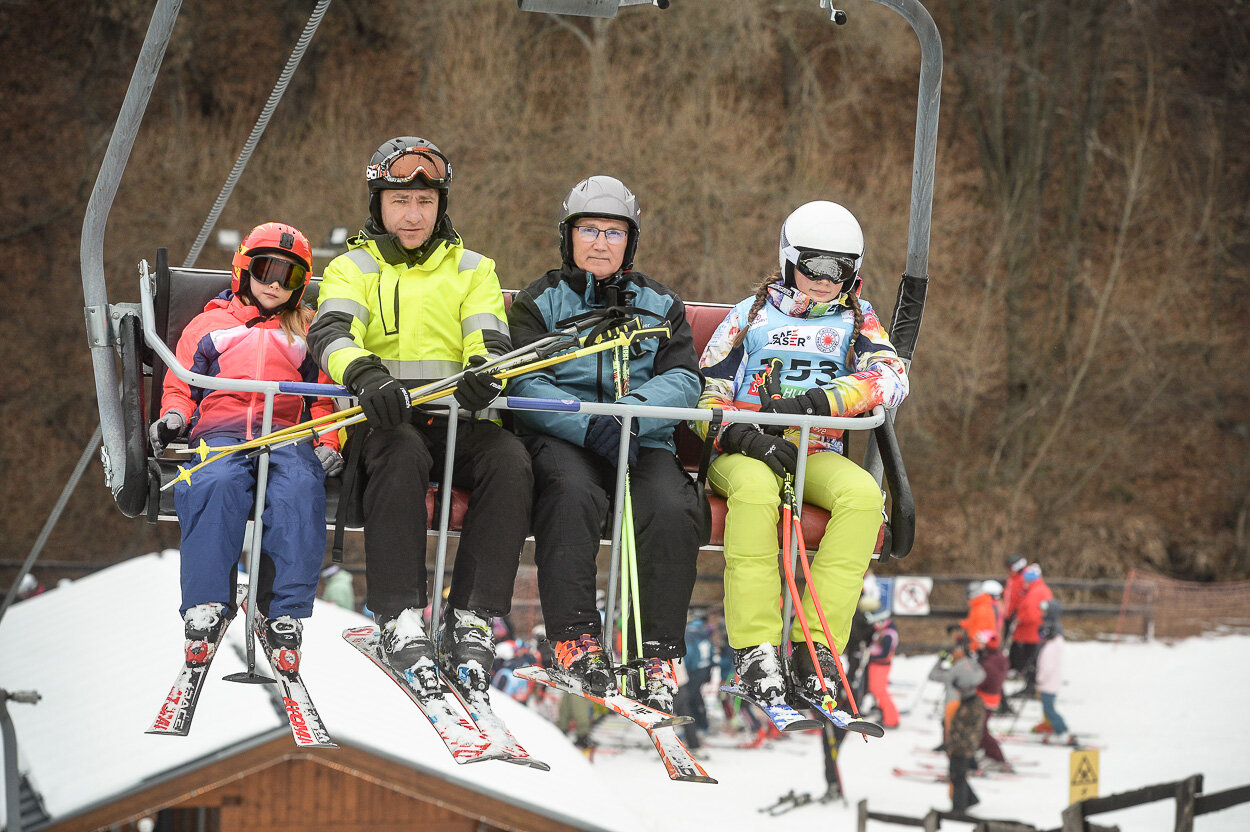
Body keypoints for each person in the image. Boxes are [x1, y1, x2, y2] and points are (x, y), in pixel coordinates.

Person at [307, 136, 532, 700]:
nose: (413, 215)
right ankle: (400, 611)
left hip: (459, 417)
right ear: (379, 203)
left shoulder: (474, 268)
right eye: (401, 201)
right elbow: (330, 332)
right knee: (401, 453)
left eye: (425, 202)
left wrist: (486, 373)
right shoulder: (352, 268)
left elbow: (490, 338)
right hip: (386, 414)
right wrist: (362, 373)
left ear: (442, 205)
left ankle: (473, 615)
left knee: (511, 461)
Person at [693, 200, 908, 705]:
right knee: (756, 490)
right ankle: (755, 647)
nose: (824, 279)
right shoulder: (749, 317)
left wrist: (826, 401)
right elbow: (706, 391)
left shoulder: (857, 320)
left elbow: (892, 377)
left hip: (815, 448)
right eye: (813, 266)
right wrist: (742, 434)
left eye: (839, 269)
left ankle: (814, 649)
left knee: (860, 495)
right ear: (790, 261)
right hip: (744, 449)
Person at [506, 175, 703, 712]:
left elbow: (684, 378)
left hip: (638, 438)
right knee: (571, 494)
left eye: (613, 233)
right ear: (568, 236)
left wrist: (631, 419)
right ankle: (575, 638)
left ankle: (657, 650)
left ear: (629, 243)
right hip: (565, 435)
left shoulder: (659, 304)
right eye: (589, 229)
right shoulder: (538, 302)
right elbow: (522, 379)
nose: (600, 242)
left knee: (670, 504)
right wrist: (587, 422)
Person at [149, 222, 342, 672]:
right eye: (265, 271)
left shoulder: (306, 331)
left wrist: (328, 440)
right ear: (243, 271)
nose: (274, 284)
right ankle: (206, 605)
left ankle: (284, 613)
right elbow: (181, 383)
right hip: (221, 430)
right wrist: (175, 417)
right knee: (212, 483)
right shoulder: (209, 324)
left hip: (285, 435)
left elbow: (325, 395)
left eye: (289, 277)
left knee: (298, 492)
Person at [971, 629, 1011, 769]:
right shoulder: (993, 657)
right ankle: (987, 753)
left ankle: (998, 758)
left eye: (981, 643)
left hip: (986, 699)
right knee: (979, 728)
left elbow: (984, 680)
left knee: (981, 730)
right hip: (988, 698)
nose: (978, 646)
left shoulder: (990, 662)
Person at [1011, 562, 1053, 694]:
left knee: (1031, 661)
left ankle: (1030, 688)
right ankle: (1030, 686)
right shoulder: (1037, 589)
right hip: (1032, 633)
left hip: (1032, 633)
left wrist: (1020, 618)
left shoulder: (1036, 592)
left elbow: (1032, 613)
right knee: (1031, 660)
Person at [1033, 600, 1070, 743]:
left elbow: (1048, 663)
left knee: (1049, 707)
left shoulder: (1053, 632)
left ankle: (1060, 729)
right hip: (1047, 678)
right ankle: (1049, 723)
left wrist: (1040, 677)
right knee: (1046, 704)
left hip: (1048, 680)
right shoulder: (1048, 630)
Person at [865, 609, 899, 729]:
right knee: (876, 691)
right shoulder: (882, 631)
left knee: (880, 691)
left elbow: (884, 654)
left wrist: (870, 656)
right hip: (876, 665)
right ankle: (886, 714)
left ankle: (892, 718)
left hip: (881, 666)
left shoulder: (888, 634)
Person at [960, 580, 1000, 645]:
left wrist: (973, 648)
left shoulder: (982, 608)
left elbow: (980, 632)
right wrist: (960, 625)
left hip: (982, 646)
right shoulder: (978, 606)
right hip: (978, 643)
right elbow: (972, 621)